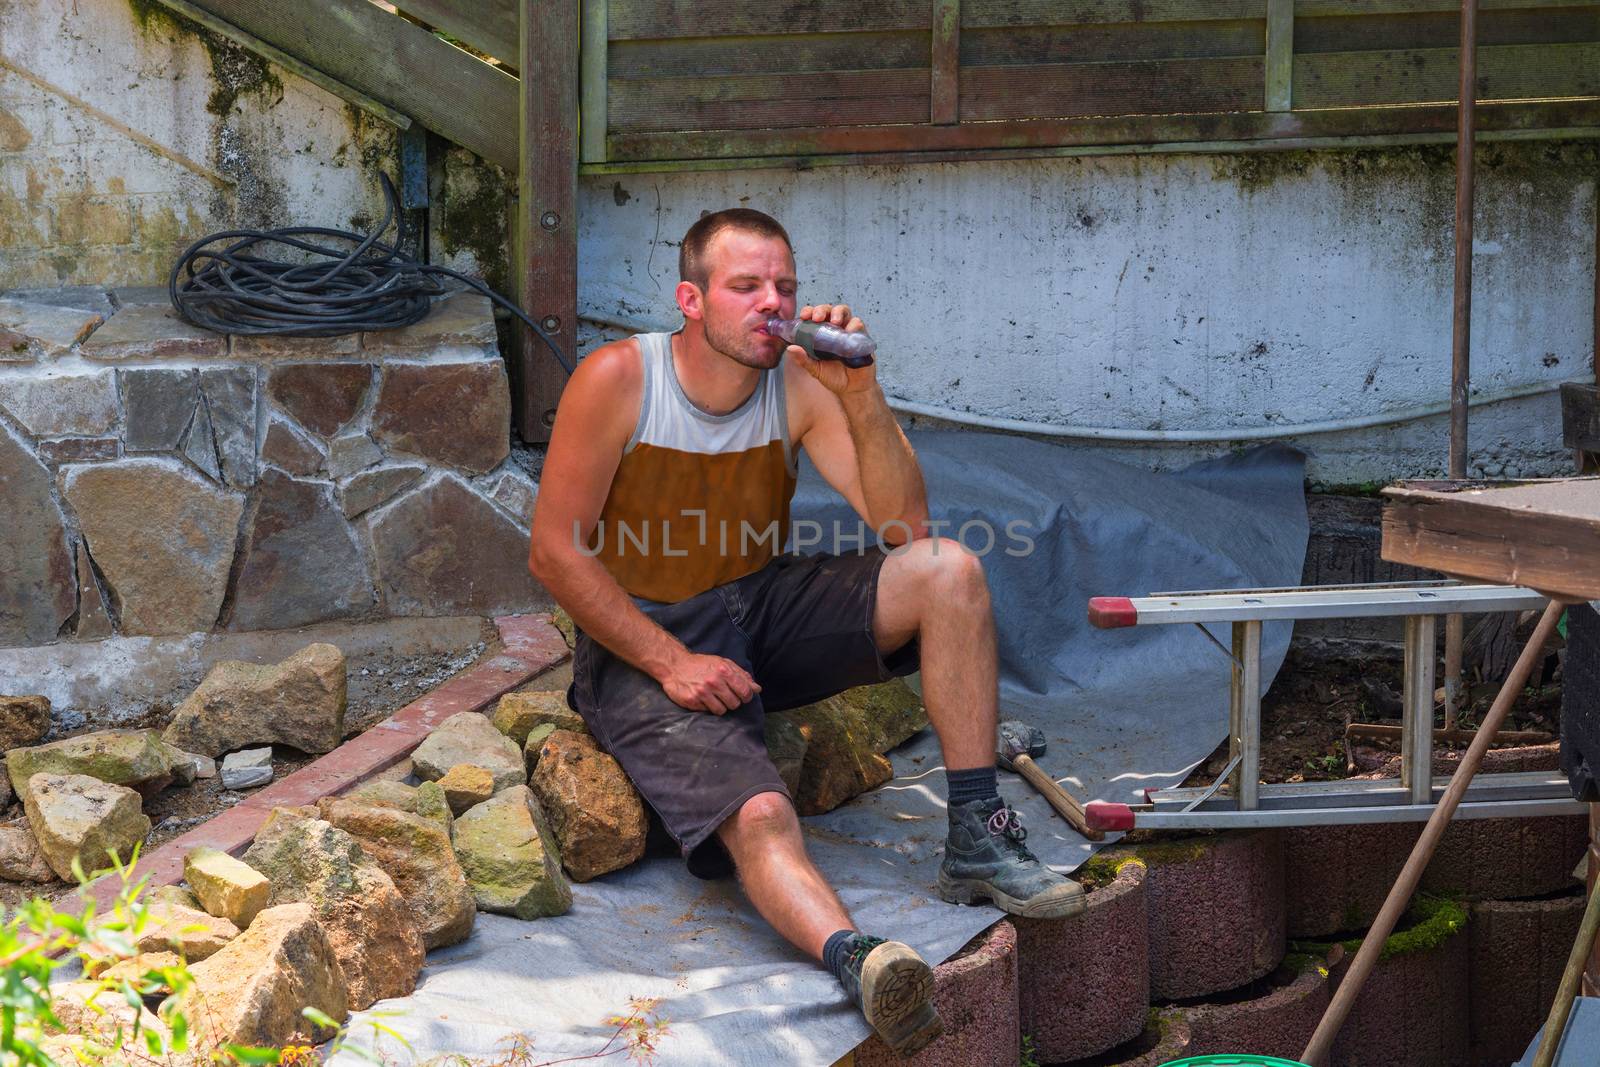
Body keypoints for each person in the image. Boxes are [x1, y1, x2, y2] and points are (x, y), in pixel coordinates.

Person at [528, 208, 1083, 1057]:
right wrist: (669, 661)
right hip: (651, 633)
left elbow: (906, 526)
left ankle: (975, 832)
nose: (772, 304)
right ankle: (862, 957)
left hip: (762, 606)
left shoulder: (799, 381)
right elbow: (555, 553)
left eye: (783, 286)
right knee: (758, 809)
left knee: (950, 570)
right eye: (745, 286)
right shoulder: (619, 379)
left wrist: (862, 397)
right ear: (690, 298)